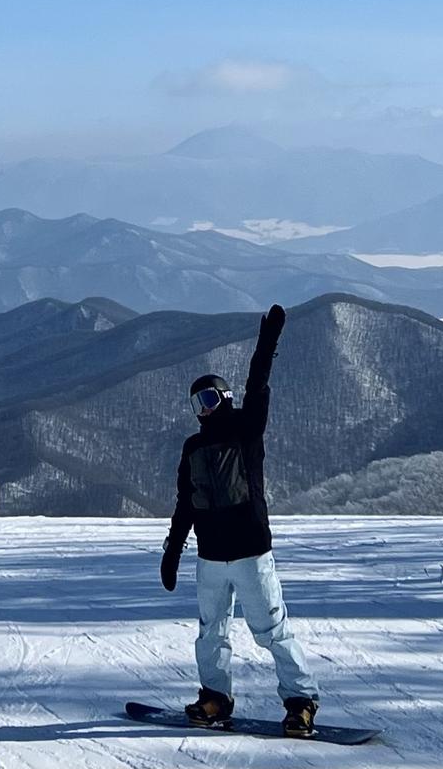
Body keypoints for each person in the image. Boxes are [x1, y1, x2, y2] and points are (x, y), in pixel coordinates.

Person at [160, 303, 320, 738]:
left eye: (209, 398)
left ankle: (301, 702)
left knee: (271, 630)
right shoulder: (192, 448)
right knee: (211, 632)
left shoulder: (247, 430)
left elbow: (258, 383)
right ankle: (215, 697)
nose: (203, 408)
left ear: (224, 399)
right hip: (211, 558)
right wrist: (173, 551)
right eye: (197, 401)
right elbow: (185, 503)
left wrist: (266, 345)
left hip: (251, 553)